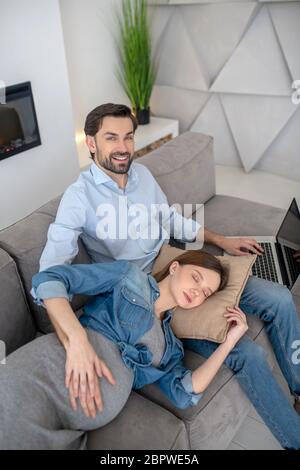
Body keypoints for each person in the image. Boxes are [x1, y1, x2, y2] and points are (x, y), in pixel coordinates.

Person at [37, 103, 300, 447]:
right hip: (146, 293)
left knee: (279, 297)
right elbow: (50, 273)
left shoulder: (142, 175)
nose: (122, 147)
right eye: (111, 137)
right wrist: (75, 341)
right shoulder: (79, 197)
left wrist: (221, 240)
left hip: (178, 263)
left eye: (128, 137)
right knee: (245, 353)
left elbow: (171, 220)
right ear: (91, 143)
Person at [0, 251, 238, 449]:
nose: (198, 292)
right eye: (196, 278)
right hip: (45, 374)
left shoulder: (172, 348)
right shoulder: (130, 277)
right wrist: (78, 340)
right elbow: (50, 280)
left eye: (206, 293)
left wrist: (228, 343)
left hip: (73, 419)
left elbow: (185, 393)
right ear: (175, 267)